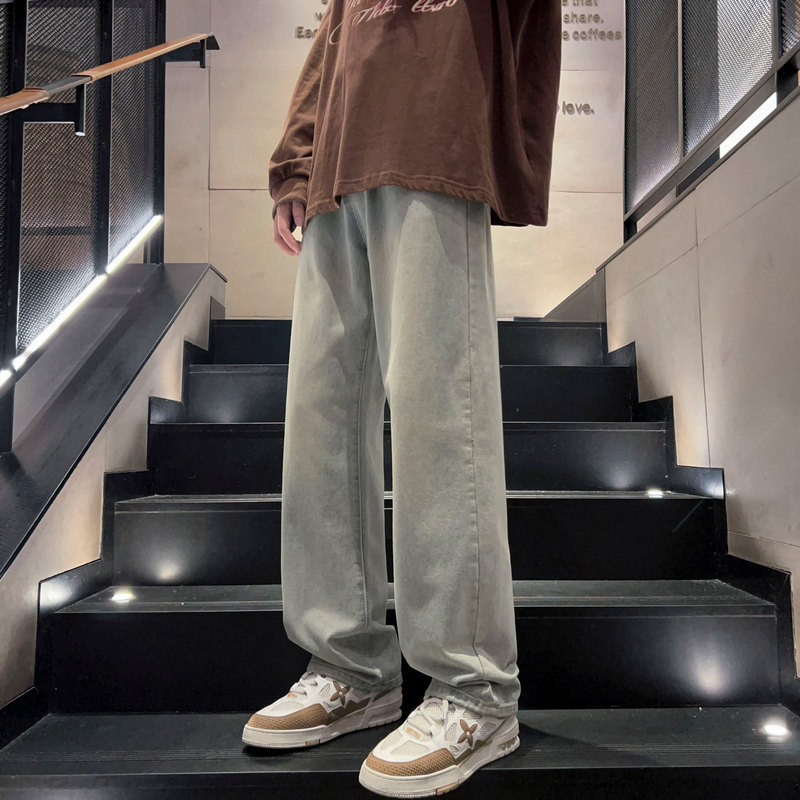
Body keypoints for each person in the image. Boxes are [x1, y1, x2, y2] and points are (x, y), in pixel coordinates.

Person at [242, 1, 561, 796]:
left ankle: (475, 689)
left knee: (439, 417)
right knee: (320, 425)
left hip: (435, 136)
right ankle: (350, 665)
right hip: (336, 167)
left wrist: (511, 149)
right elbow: (331, 39)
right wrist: (296, 162)